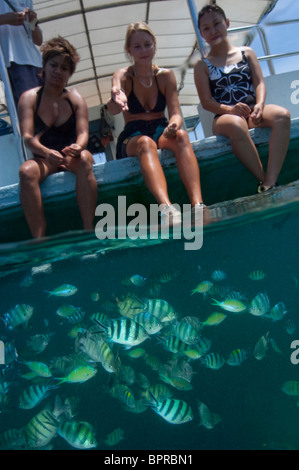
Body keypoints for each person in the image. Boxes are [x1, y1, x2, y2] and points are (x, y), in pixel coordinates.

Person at [107, 22, 204, 225]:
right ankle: (167, 209)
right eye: (137, 47)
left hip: (161, 127)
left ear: (154, 45)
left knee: (182, 136)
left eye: (147, 44)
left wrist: (175, 125)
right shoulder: (123, 76)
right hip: (133, 134)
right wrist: (117, 97)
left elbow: (175, 113)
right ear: (129, 51)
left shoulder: (166, 76)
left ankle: (198, 205)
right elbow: (114, 102)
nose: (143, 50)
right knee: (145, 143)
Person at [194, 4, 290, 193]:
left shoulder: (247, 53)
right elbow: (207, 102)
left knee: (282, 115)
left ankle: (271, 180)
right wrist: (231, 110)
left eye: (217, 24)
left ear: (227, 23)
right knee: (237, 124)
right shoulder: (202, 65)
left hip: (253, 110)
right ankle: (263, 181)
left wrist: (260, 106)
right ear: (201, 33)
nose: (213, 31)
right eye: (206, 28)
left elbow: (259, 83)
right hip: (224, 117)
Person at [18, 36, 98, 239]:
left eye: (64, 68)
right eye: (53, 65)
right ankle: (39, 238)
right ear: (43, 66)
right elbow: (27, 137)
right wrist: (46, 153)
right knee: (26, 172)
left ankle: (88, 230)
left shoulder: (75, 99)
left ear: (69, 74)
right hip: (44, 158)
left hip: (71, 157)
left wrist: (78, 147)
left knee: (87, 158)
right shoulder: (29, 98)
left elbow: (83, 134)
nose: (58, 71)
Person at [0, 0, 43, 107]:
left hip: (37, 62)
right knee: (30, 110)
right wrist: (4, 19)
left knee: (48, 109)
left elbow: (38, 40)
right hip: (14, 62)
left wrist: (33, 21)